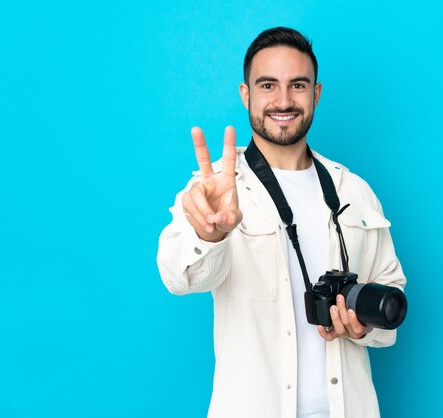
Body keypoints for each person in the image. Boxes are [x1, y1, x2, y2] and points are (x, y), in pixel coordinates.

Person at [157, 27, 406, 418]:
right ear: (246, 95)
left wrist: (363, 327)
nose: (284, 100)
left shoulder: (354, 190)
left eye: (298, 85)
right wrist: (212, 236)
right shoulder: (216, 190)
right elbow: (178, 277)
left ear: (316, 94)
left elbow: (390, 293)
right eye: (268, 85)